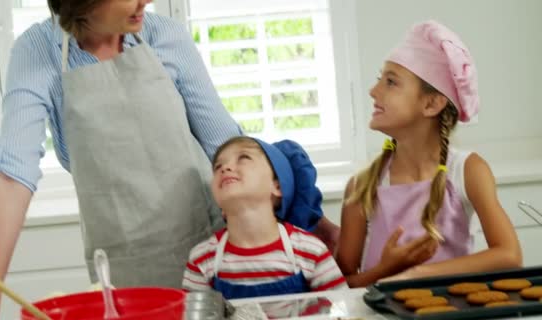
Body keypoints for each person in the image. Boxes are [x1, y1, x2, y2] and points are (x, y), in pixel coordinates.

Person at [0, 0, 244, 318]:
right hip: (122, 274)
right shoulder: (37, 52)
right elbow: (11, 175)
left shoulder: (166, 36)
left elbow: (226, 146)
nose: (147, 1)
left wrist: (306, 219)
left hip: (208, 258)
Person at [335, 20, 522, 288]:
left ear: (432, 103)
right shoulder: (362, 186)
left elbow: (509, 255)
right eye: (380, 80)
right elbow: (341, 284)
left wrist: (418, 274)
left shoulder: (468, 170)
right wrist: (387, 270)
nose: (373, 91)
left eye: (390, 82)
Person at [182, 136, 346, 299]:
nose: (224, 168)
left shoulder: (311, 251)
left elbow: (343, 311)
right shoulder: (202, 258)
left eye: (243, 157)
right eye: (217, 166)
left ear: (278, 186)